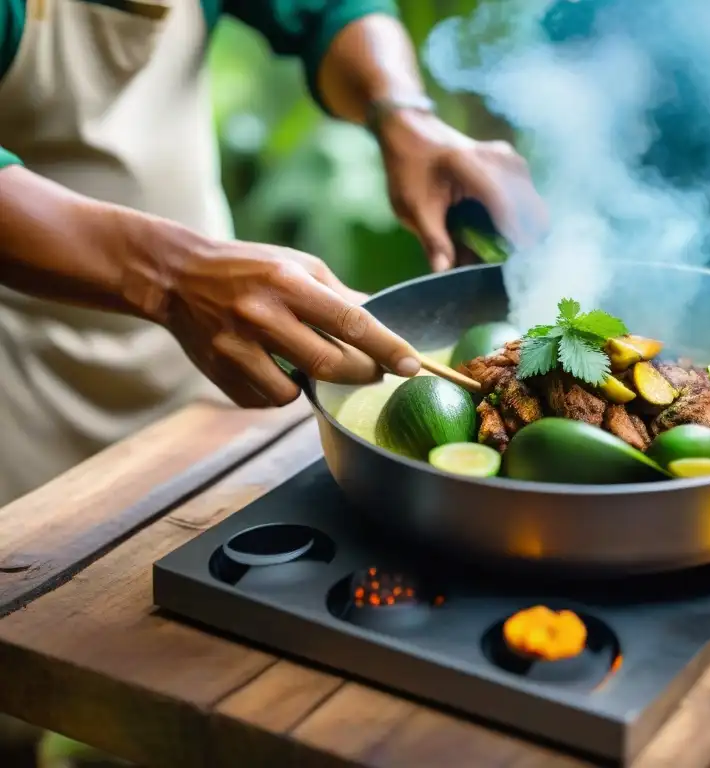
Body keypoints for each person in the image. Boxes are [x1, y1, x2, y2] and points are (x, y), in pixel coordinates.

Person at [0, 0, 544, 506]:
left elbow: (330, 8)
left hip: (196, 338)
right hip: (27, 375)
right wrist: (170, 276)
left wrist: (402, 112)